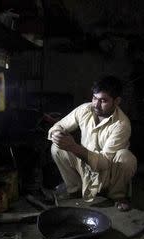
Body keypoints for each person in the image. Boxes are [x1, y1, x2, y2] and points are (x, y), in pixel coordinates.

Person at [48, 76, 137, 211]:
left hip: (108, 173)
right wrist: (58, 135)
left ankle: (116, 196)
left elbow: (104, 163)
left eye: (103, 100)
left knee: (126, 158)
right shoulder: (85, 109)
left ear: (117, 101)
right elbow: (58, 126)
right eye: (94, 98)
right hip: (86, 168)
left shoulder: (122, 125)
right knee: (57, 147)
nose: (96, 104)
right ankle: (75, 191)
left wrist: (73, 146)